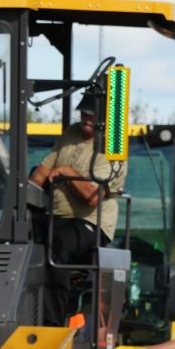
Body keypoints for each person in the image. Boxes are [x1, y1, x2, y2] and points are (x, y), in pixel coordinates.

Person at [31, 94, 124, 325]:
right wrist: (28, 190)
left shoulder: (112, 146)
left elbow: (93, 197)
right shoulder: (71, 133)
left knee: (57, 249)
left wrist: (66, 171)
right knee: (19, 231)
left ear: (105, 118)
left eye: (92, 115)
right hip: (57, 217)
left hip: (90, 221)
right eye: (84, 113)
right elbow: (45, 168)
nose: (86, 118)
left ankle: (51, 326)